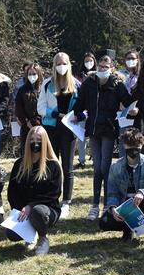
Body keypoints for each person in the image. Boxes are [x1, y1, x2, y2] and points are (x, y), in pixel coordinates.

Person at [73, 55, 136, 221]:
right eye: (100, 66)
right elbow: (80, 105)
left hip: (109, 130)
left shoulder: (117, 85)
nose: (102, 69)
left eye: (105, 67)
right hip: (93, 130)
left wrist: (131, 109)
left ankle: (108, 205)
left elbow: (129, 102)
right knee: (97, 168)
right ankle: (95, 205)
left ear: (112, 68)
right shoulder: (88, 83)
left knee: (105, 167)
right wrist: (76, 116)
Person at [99, 128, 144, 247]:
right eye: (130, 147)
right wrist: (113, 208)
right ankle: (127, 230)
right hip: (124, 205)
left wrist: (142, 193)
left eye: (136, 147)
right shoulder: (115, 167)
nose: (133, 150)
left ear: (142, 146)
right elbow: (112, 192)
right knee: (104, 222)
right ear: (124, 146)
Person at [6, 126, 63, 256]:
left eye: (38, 139)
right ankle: (30, 235)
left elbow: (54, 194)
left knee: (38, 212)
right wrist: (20, 209)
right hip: (24, 210)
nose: (35, 142)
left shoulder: (53, 165)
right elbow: (12, 192)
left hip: (46, 209)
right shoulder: (19, 164)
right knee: (11, 234)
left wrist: (31, 206)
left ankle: (43, 238)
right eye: (32, 139)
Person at [37, 52, 80, 219]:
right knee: (51, 165)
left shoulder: (76, 84)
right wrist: (55, 114)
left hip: (69, 129)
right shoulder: (47, 84)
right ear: (54, 65)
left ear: (69, 64)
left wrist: (79, 115)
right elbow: (40, 108)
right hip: (51, 129)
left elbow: (83, 107)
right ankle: (51, 198)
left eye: (64, 63)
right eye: (58, 63)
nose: (61, 66)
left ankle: (66, 202)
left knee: (68, 166)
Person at [14, 63, 43, 153]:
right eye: (30, 74)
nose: (32, 76)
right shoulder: (22, 90)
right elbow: (19, 108)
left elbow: (45, 106)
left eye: (34, 74)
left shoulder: (43, 89)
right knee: (26, 152)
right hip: (26, 127)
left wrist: (37, 121)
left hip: (42, 126)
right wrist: (27, 122)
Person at [117, 49, 141, 157]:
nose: (130, 60)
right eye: (128, 58)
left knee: (135, 139)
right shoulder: (119, 74)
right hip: (122, 111)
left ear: (137, 60)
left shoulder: (141, 75)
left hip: (137, 112)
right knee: (123, 138)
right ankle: (123, 162)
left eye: (133, 58)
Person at [75, 52, 96, 169]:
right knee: (81, 137)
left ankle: (94, 158)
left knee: (93, 136)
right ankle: (81, 160)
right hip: (82, 111)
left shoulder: (98, 75)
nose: (89, 63)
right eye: (86, 61)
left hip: (94, 110)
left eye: (91, 61)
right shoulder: (78, 77)